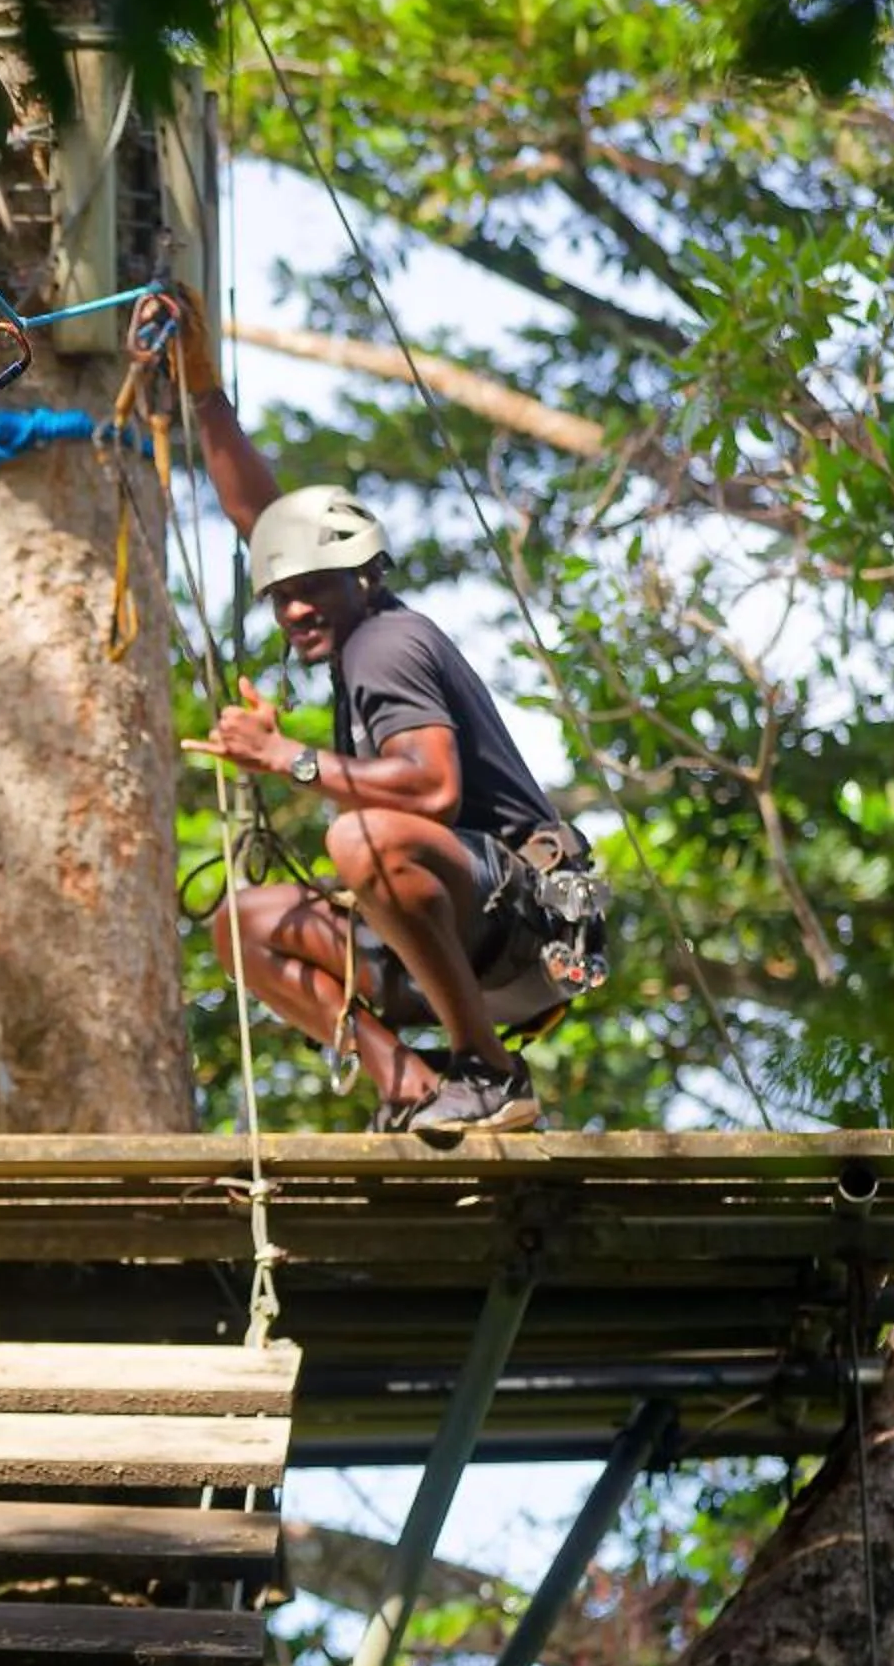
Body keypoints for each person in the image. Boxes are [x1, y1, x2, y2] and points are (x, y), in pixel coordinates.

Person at [174, 309, 610, 1134]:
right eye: (281, 595)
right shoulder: (351, 630)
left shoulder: (383, 641)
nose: (296, 607)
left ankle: (489, 1073)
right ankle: (412, 1084)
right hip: (458, 934)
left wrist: (288, 759)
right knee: (244, 924)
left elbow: (434, 788)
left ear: (366, 578)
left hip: (522, 924)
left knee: (362, 839)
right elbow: (261, 519)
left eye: (315, 587)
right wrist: (204, 394)